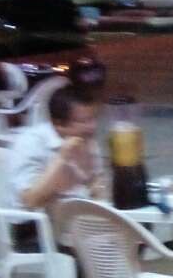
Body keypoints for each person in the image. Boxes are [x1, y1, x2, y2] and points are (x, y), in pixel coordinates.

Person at [7, 85, 104, 253]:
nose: (92, 127)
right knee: (101, 245)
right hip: (34, 226)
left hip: (75, 217)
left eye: (93, 119)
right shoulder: (31, 143)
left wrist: (98, 188)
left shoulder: (86, 140)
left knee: (137, 228)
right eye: (84, 121)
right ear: (58, 124)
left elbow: (96, 183)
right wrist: (61, 158)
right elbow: (31, 200)